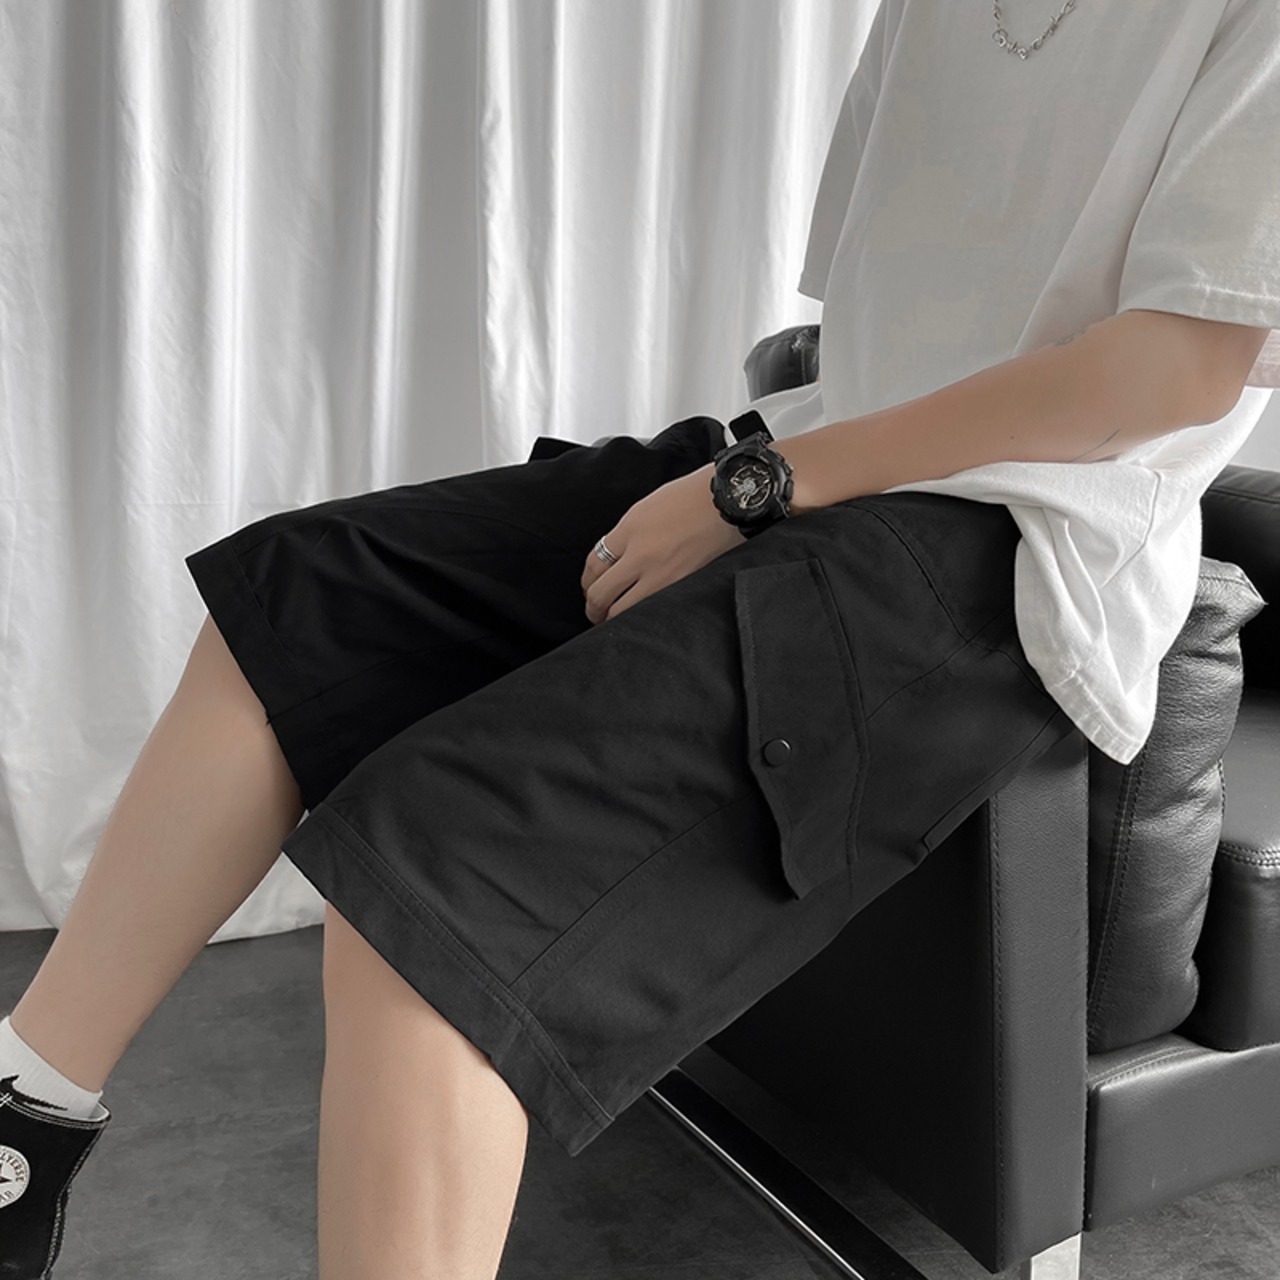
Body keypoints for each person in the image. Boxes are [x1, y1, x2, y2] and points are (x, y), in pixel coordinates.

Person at [2, 1, 1277, 1276]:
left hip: (1013, 542)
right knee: (297, 595)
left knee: (440, 866)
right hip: (822, 461)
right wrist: (765, 473)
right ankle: (22, 1118)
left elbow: (1171, 371)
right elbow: (879, 313)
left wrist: (754, 487)